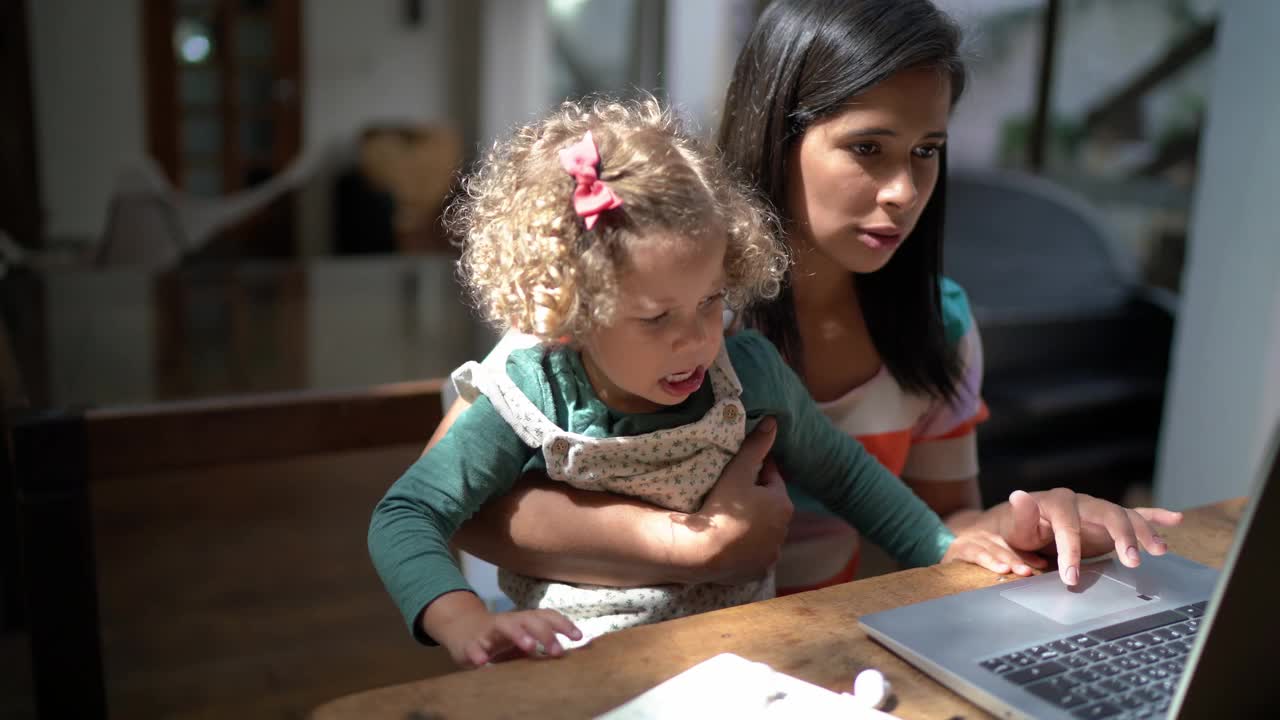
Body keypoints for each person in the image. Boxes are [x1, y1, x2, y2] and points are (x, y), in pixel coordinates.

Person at [438, 0, 1182, 598]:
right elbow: (456, 504)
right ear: (776, 131)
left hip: (809, 664)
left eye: (927, 151)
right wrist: (686, 550)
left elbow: (940, 522)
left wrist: (1030, 524)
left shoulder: (940, 323)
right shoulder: (646, 289)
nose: (904, 191)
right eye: (868, 148)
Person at [369, 96, 1054, 669]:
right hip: (574, 667)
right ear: (570, 313)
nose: (697, 339)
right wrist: (459, 618)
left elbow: (848, 475)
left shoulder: (746, 371)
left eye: (708, 302)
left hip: (743, 658)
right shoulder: (531, 396)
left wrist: (938, 549)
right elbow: (406, 515)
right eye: (656, 317)